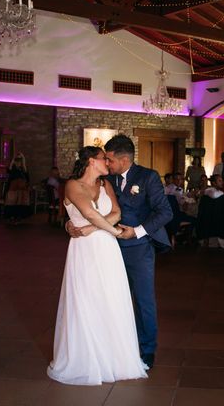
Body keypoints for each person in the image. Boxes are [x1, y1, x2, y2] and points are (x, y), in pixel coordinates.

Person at [65, 135, 172, 370]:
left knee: (143, 300)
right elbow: (86, 206)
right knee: (109, 300)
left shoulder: (148, 177)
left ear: (123, 160)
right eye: (104, 159)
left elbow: (165, 213)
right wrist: (70, 224)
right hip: (106, 251)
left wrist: (137, 232)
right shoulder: (107, 179)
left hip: (138, 249)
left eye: (110, 159)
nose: (108, 163)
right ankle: (110, 349)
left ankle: (146, 350)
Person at [48, 147, 148, 385]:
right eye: (105, 158)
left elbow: (116, 212)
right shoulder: (72, 185)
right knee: (85, 299)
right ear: (92, 161)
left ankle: (114, 358)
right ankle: (86, 359)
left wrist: (91, 229)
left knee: (110, 299)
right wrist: (113, 231)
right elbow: (89, 213)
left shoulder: (106, 185)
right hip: (84, 251)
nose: (108, 162)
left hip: (106, 249)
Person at [5, 153, 30, 225]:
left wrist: (23, 158)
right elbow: (9, 170)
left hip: (21, 189)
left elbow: (27, 176)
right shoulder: (13, 169)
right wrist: (13, 160)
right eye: (17, 162)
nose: (18, 163)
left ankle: (19, 217)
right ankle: (12, 217)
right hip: (13, 188)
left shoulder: (23, 169)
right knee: (12, 202)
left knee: (20, 202)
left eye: (19, 162)